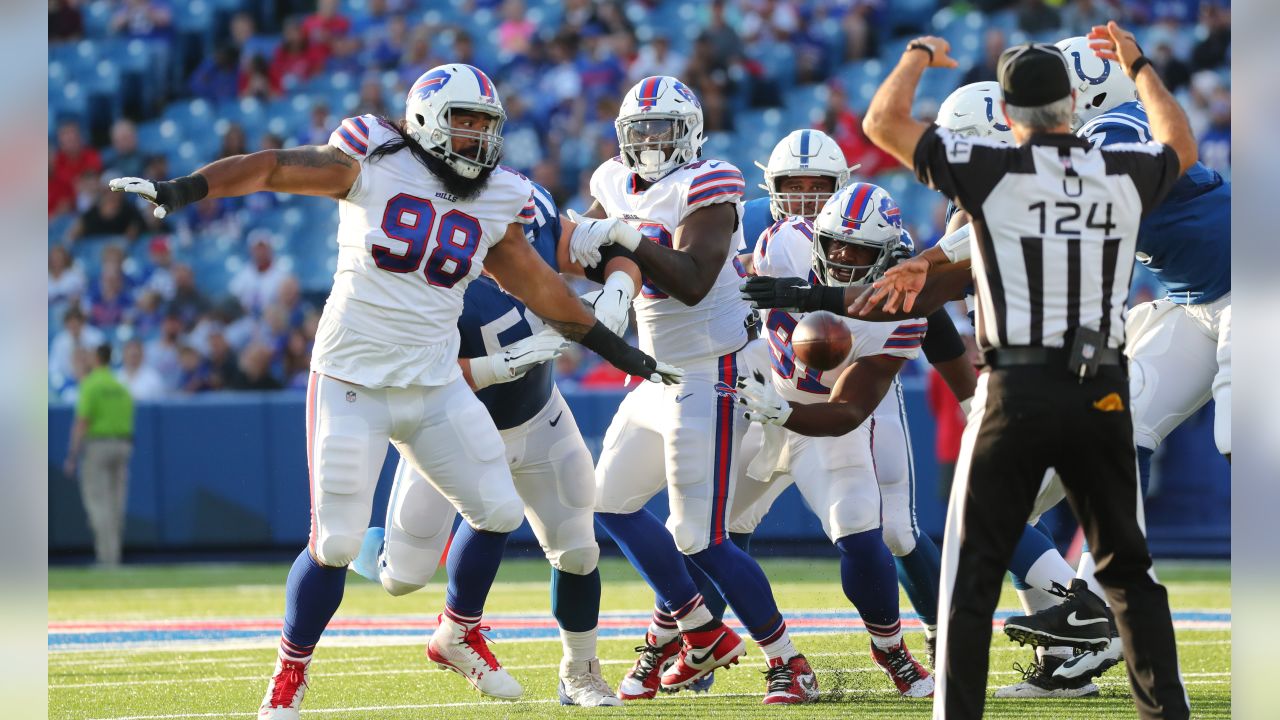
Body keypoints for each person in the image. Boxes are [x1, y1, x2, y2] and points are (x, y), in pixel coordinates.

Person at [110, 62, 678, 718]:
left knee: (497, 510)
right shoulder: (372, 155)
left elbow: (543, 291)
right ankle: (288, 678)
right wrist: (184, 190)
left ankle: (458, 633)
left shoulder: (496, 196)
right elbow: (270, 166)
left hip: (434, 383)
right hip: (353, 379)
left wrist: (623, 350)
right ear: (428, 122)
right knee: (337, 545)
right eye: (465, 124)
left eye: (486, 126)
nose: (478, 140)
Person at [855, 27, 1195, 720]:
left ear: (1007, 114)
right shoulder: (1120, 170)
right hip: (1102, 387)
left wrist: (919, 53)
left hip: (1015, 388)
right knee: (1127, 575)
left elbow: (881, 123)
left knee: (971, 574)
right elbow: (1180, 143)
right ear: (1073, 103)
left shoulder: (993, 170)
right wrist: (1138, 64)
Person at [566, 76, 817, 705]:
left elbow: (693, 281)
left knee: (699, 535)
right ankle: (698, 629)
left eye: (663, 129)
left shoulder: (711, 184)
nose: (650, 143)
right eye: (640, 130)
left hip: (712, 372)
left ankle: (788, 660)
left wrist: (625, 237)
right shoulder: (611, 180)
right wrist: (582, 243)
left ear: (692, 132)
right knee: (608, 503)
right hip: (656, 371)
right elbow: (581, 254)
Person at [350, 179, 638, 707]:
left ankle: (580, 673)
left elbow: (616, 252)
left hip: (539, 415)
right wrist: (506, 362)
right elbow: (413, 373)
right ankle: (374, 549)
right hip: (446, 428)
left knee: (577, 549)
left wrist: (619, 294)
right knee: (403, 580)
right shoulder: (425, 267)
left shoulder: (534, 216)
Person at [733, 182, 935, 697]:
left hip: (822, 418)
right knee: (705, 531)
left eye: (859, 250)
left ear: (889, 256)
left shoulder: (901, 312)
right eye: (835, 244)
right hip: (757, 393)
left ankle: (892, 650)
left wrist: (787, 414)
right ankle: (755, 654)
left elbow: (848, 410)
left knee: (861, 529)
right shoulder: (784, 244)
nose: (842, 257)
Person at [63, 344, 135, 568]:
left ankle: (106, 557)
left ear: (96, 359)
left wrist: (72, 454)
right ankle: (115, 555)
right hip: (123, 443)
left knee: (98, 503)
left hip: (98, 445)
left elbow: (82, 421)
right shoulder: (121, 385)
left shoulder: (91, 384)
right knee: (116, 503)